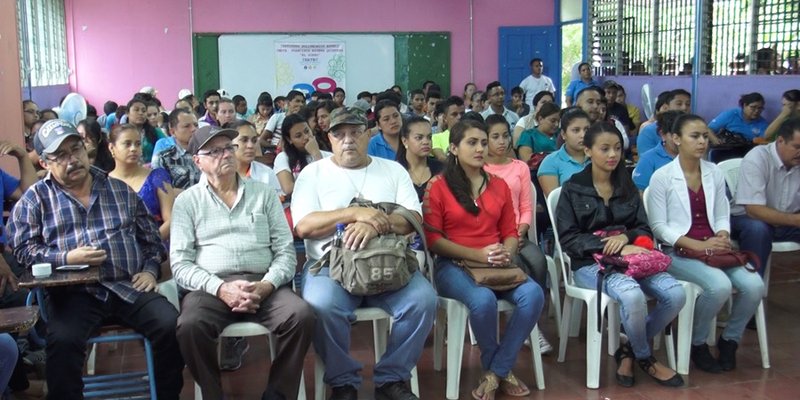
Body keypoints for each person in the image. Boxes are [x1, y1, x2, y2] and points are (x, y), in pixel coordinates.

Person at [7, 119, 184, 398]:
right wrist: (65, 256)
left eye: (76, 149)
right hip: (74, 293)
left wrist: (150, 270)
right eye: (60, 155)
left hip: (128, 285)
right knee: (62, 343)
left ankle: (166, 395)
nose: (72, 159)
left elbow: (151, 241)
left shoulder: (119, 190)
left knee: (170, 324)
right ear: (44, 163)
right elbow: (23, 250)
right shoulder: (35, 200)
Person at [292, 108, 436, 400]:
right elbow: (304, 226)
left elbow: (413, 220)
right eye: (339, 134)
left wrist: (374, 227)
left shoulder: (392, 170)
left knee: (423, 300)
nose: (348, 140)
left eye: (355, 132)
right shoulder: (313, 173)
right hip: (331, 267)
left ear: (368, 134)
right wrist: (356, 213)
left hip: (389, 264)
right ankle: (343, 381)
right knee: (320, 305)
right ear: (328, 137)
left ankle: (391, 378)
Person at [170, 124, 314, 399]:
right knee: (189, 326)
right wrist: (221, 288)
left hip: (264, 283)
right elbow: (181, 265)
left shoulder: (263, 194)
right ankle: (214, 395)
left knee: (301, 316)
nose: (224, 155)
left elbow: (285, 251)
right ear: (197, 161)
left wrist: (266, 285)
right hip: (211, 289)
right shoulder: (187, 202)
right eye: (214, 151)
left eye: (228, 148)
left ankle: (277, 394)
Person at [556, 121, 685, 388]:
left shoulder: (626, 184)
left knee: (675, 294)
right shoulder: (573, 188)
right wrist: (607, 245)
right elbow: (568, 238)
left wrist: (625, 238)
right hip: (589, 263)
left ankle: (628, 347)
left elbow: (644, 227)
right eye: (604, 149)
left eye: (617, 148)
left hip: (633, 259)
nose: (613, 155)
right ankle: (646, 357)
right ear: (589, 151)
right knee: (631, 294)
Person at [424, 119, 544, 400]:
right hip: (453, 264)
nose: (480, 148)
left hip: (496, 263)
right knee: (482, 300)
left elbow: (510, 232)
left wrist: (507, 252)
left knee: (533, 294)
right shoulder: (438, 186)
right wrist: (477, 254)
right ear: (453, 148)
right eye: (471, 143)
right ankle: (499, 368)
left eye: (482, 142)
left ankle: (495, 372)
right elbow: (434, 241)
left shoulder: (499, 185)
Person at [647, 114, 764, 373]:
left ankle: (729, 340)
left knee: (755, 286)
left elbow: (723, 212)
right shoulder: (662, 177)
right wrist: (697, 245)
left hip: (715, 247)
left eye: (704, 136)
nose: (702, 142)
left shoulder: (714, 172)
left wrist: (722, 234)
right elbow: (659, 227)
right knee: (719, 286)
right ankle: (696, 343)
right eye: (694, 136)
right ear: (676, 139)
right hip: (677, 251)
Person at [482, 115, 551, 352]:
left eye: (505, 135)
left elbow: (525, 206)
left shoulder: (519, 167)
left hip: (518, 232)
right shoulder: (478, 168)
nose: (502, 141)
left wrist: (521, 230)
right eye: (495, 137)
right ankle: (521, 326)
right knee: (517, 263)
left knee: (539, 262)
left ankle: (531, 323)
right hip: (490, 236)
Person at [731, 117, 800, 277]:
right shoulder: (758, 158)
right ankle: (752, 287)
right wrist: (795, 220)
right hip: (745, 219)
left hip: (787, 223)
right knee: (758, 229)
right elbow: (753, 210)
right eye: (797, 147)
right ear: (780, 141)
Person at [108, 124, 176, 241]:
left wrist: (148, 244)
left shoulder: (157, 177)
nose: (133, 149)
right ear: (111, 148)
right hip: (119, 250)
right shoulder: (104, 182)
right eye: (127, 144)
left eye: (138, 144)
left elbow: (170, 221)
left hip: (158, 248)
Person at [274, 113, 331, 202]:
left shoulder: (328, 156)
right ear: (289, 140)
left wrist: (316, 154)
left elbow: (330, 180)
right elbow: (288, 188)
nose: (306, 137)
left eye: (307, 131)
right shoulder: (283, 158)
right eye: (298, 136)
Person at [537, 108, 592, 197]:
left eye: (587, 129)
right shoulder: (550, 162)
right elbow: (556, 203)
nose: (583, 135)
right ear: (563, 134)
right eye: (576, 130)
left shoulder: (598, 158)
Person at [228, 119, 282, 196]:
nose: (251, 146)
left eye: (254, 140)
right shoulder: (219, 175)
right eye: (244, 140)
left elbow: (278, 205)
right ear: (230, 143)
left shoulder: (267, 174)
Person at [632, 110, 683, 191]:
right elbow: (640, 192)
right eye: (675, 135)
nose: (680, 139)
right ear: (662, 134)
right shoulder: (648, 159)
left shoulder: (692, 157)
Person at [396, 116, 443, 201]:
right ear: (404, 141)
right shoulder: (394, 170)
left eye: (429, 137)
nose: (426, 142)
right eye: (419, 138)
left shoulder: (442, 169)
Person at [153, 108, 202, 189]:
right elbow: (162, 191)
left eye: (196, 125)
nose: (194, 129)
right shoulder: (163, 157)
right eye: (187, 126)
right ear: (172, 132)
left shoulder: (207, 153)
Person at [637, 89, 692, 155]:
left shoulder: (692, 129)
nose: (684, 108)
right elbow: (646, 158)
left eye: (688, 104)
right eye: (679, 104)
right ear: (666, 107)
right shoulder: (649, 131)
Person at [126, 97, 167, 163]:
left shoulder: (156, 132)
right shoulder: (121, 133)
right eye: (136, 110)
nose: (140, 113)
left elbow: (167, 150)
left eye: (144, 111)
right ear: (127, 113)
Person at [430, 96, 466, 160]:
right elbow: (441, 157)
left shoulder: (471, 136)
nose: (459, 117)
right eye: (454, 114)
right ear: (445, 118)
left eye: (462, 114)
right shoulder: (436, 138)